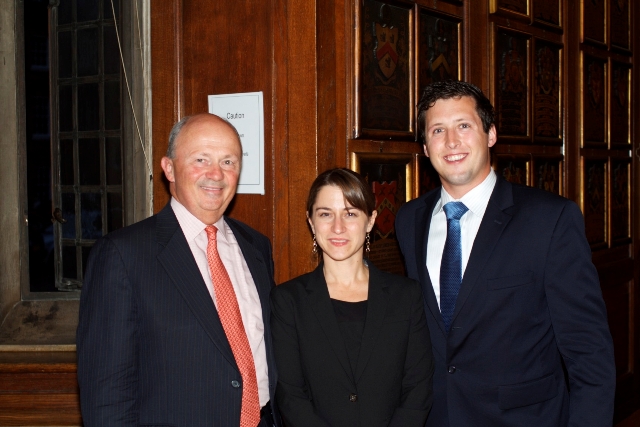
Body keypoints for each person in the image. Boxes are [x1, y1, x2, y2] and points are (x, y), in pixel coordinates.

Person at [395, 80, 616, 426]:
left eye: (463, 126)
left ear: (491, 134)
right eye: (437, 130)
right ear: (425, 147)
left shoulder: (550, 219)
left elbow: (589, 351)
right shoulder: (410, 220)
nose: (451, 142)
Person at [77, 113, 281, 427]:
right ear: (169, 168)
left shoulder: (257, 247)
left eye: (229, 162)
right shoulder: (123, 255)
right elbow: (107, 391)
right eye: (201, 159)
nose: (216, 174)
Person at [270, 168, 434, 427]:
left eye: (350, 214)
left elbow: (418, 387)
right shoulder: (288, 300)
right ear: (311, 222)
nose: (338, 227)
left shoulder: (406, 296)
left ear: (370, 221)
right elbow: (290, 395)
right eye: (325, 214)